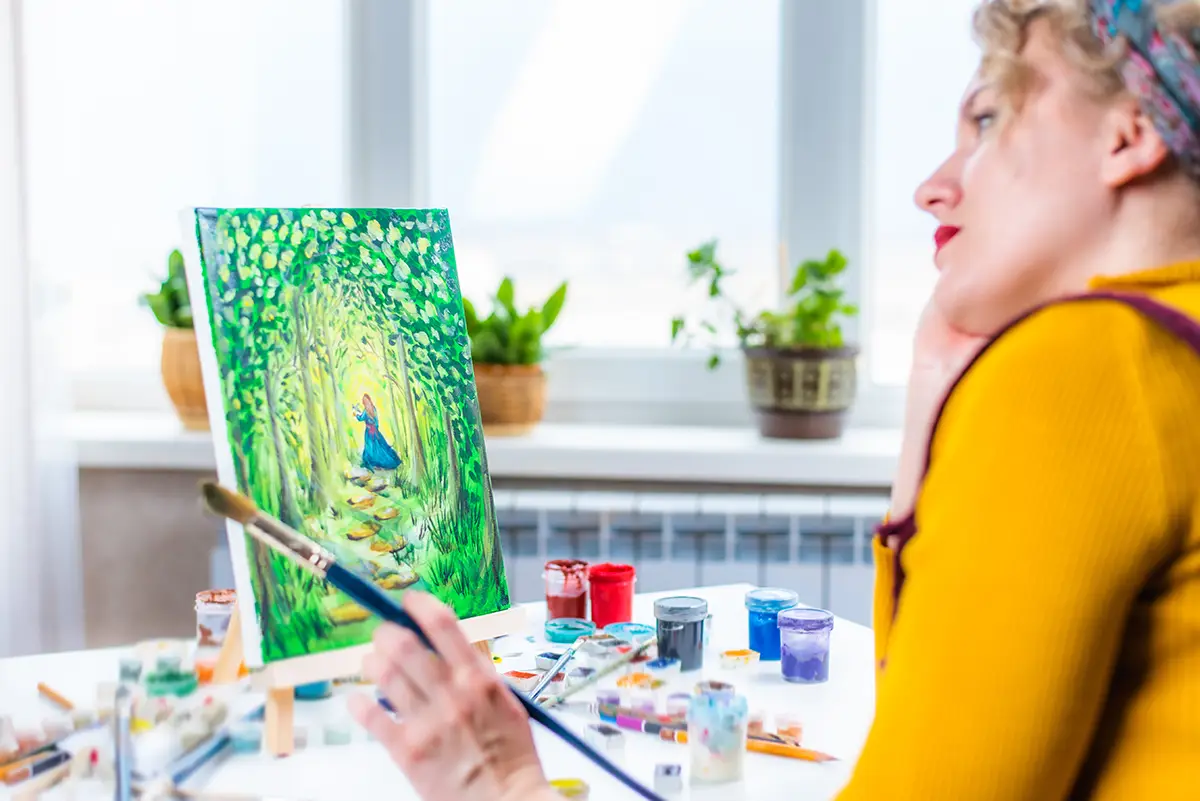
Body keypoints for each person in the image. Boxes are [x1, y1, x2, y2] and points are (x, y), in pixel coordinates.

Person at [347, 1, 1200, 798]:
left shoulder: (1085, 366)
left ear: (1129, 135)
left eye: (990, 119)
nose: (936, 188)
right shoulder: (1162, 356)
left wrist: (500, 779)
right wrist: (936, 396)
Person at [355, 393, 402, 472]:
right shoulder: (374, 409)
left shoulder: (366, 411)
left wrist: (356, 414)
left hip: (369, 432)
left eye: (364, 401)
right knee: (380, 446)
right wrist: (375, 428)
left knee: (370, 447)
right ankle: (380, 463)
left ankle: (374, 463)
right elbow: (376, 421)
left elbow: (360, 418)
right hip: (375, 431)